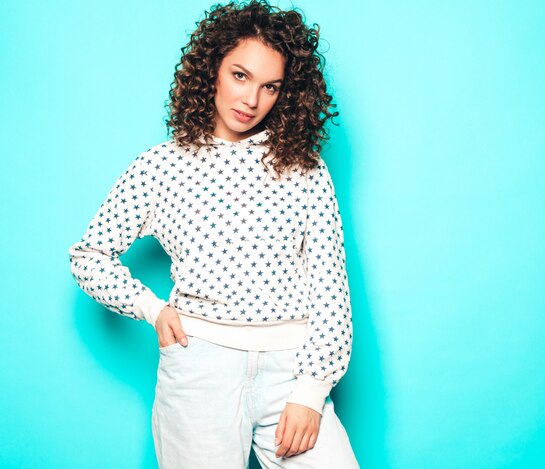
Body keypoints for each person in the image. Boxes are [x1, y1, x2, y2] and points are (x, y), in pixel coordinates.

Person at [68, 1, 358, 467]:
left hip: (292, 370)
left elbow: (330, 284)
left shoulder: (305, 169)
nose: (251, 100)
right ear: (212, 70)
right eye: (240, 76)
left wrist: (312, 389)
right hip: (199, 369)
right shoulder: (161, 166)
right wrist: (152, 308)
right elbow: (89, 255)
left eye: (271, 87)